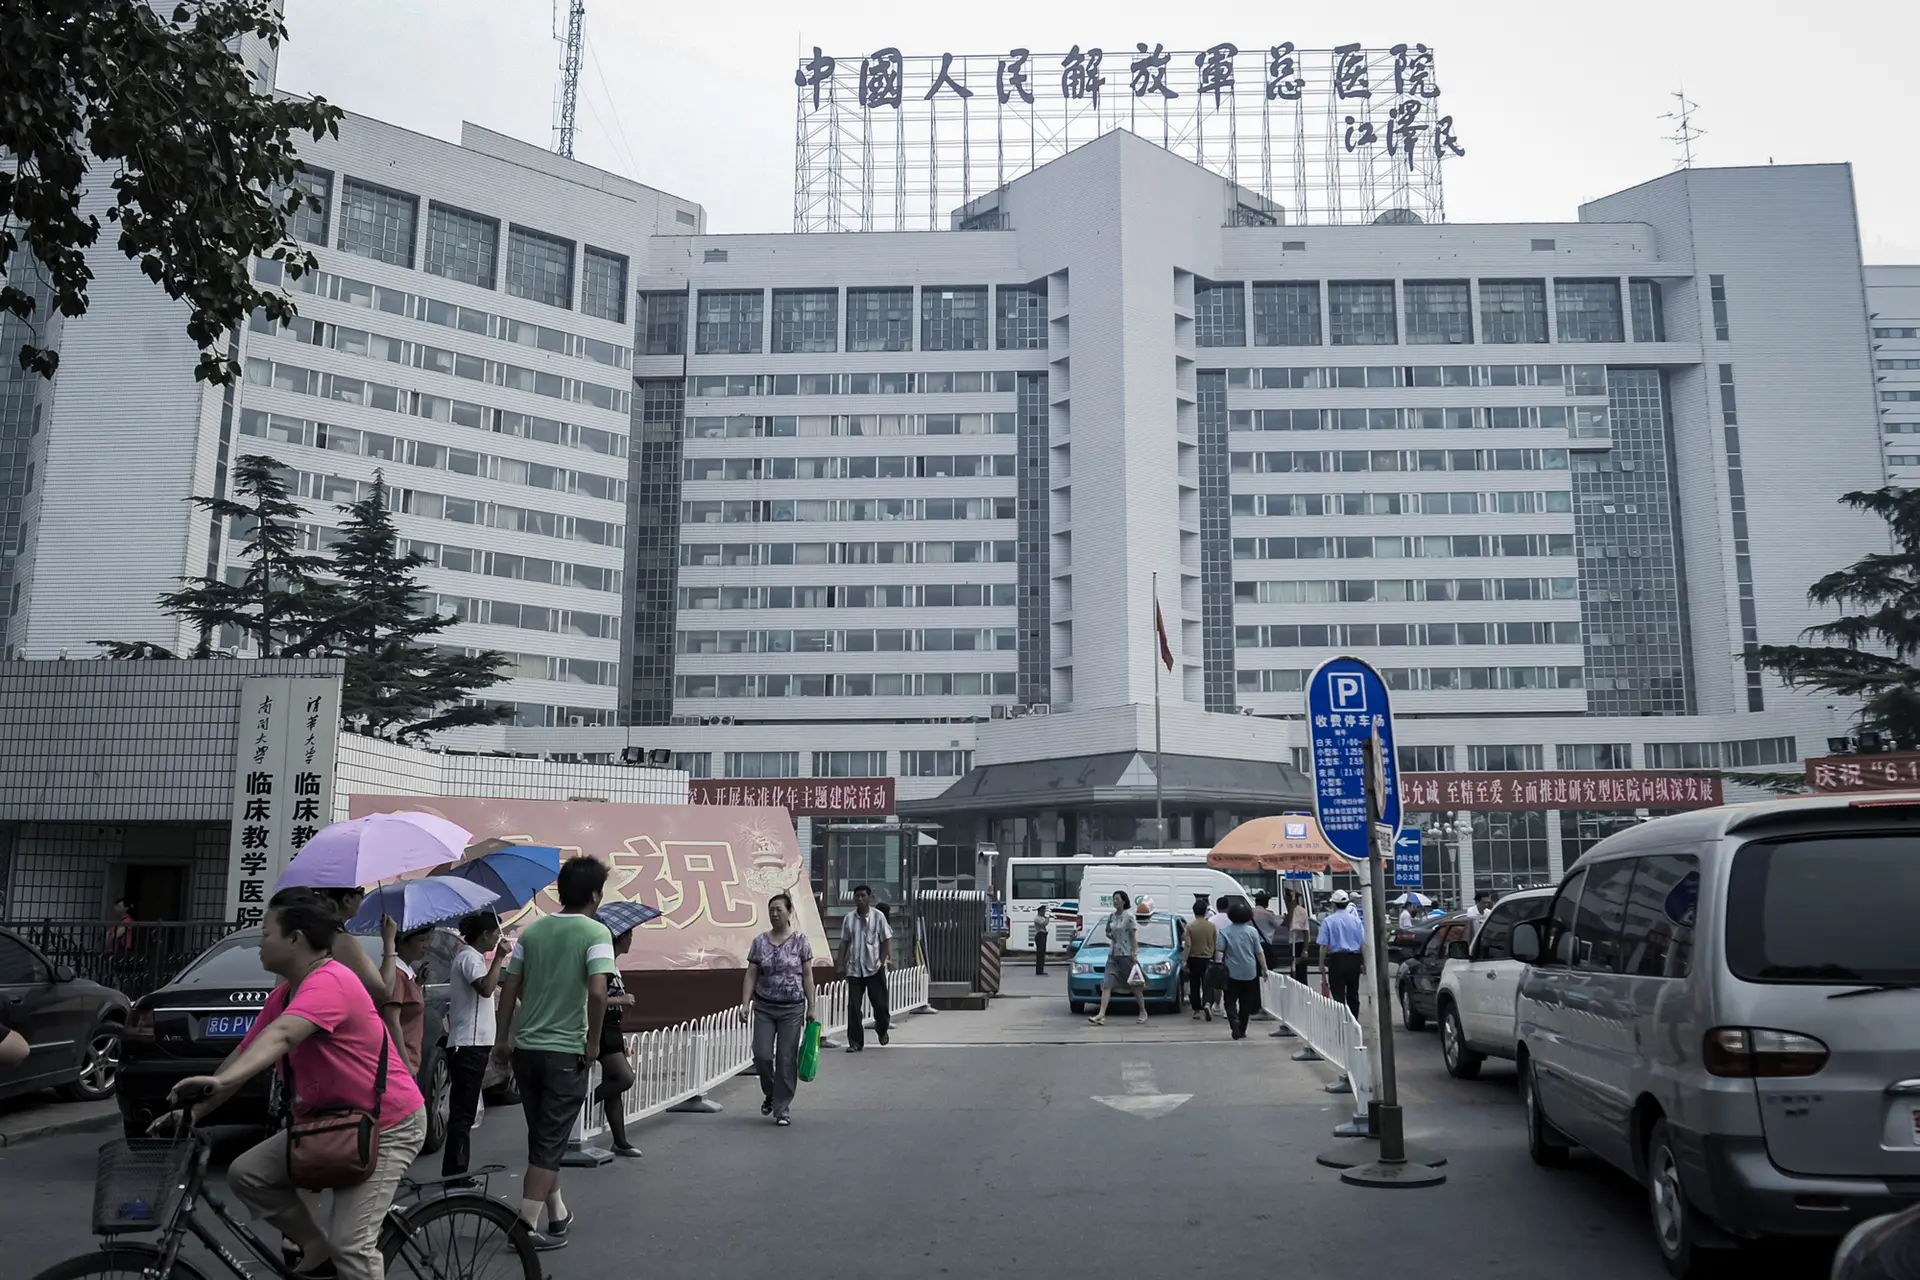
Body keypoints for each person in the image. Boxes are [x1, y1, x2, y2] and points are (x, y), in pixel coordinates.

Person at [175, 889, 426, 1280]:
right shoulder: (284, 995)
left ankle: (334, 1251)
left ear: (295, 939)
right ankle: (313, 1244)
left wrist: (220, 1081)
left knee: (352, 1245)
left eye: (265, 933)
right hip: (332, 1121)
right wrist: (191, 1112)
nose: (260, 942)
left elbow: (284, 1037)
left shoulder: (331, 983)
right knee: (247, 1174)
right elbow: (247, 1054)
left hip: (387, 1123)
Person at [490, 855, 615, 1252]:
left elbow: (509, 986)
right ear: (595, 894)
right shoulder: (596, 933)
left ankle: (558, 1212)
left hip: (527, 1049)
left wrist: (502, 1039)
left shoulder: (534, 931)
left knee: (544, 1137)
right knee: (547, 1143)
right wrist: (594, 1042)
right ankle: (524, 1228)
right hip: (566, 1052)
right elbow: (598, 991)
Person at [442, 910, 510, 1183]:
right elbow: (485, 988)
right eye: (495, 933)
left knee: (466, 1111)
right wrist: (501, 959)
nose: (497, 938)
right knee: (463, 1113)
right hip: (467, 1045)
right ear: (484, 934)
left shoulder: (474, 957)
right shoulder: (470, 957)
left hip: (475, 1044)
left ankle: (457, 1169)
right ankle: (455, 1173)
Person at [741, 892, 817, 1126]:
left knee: (786, 1058)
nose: (774, 914)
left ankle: (782, 1108)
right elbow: (751, 973)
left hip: (792, 1008)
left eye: (779, 909)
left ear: (789, 912)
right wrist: (745, 1003)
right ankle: (771, 1092)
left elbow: (807, 975)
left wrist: (811, 1007)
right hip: (764, 1006)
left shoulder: (800, 941)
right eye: (771, 909)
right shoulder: (759, 942)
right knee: (762, 1054)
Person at [594, 920, 641, 1158]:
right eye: (630, 935)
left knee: (615, 1089)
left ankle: (619, 1141)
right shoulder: (602, 965)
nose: (632, 939)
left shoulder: (613, 965)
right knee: (625, 1078)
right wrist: (619, 1001)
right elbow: (590, 997)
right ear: (620, 938)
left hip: (612, 1028)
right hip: (601, 1028)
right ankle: (581, 1103)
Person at [838, 883, 892, 1052]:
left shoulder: (879, 917)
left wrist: (882, 960)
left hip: (874, 968)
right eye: (857, 896)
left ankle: (882, 1030)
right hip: (854, 969)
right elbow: (844, 942)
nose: (860, 899)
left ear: (870, 898)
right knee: (853, 1007)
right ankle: (855, 1042)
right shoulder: (849, 918)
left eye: (863, 896)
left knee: (881, 1005)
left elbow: (886, 940)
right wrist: (840, 964)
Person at [1088, 890, 1147, 1026]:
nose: (1115, 902)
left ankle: (1143, 1011)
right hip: (1113, 955)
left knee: (1134, 985)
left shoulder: (1129, 917)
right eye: (1113, 899)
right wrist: (1111, 936)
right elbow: (1108, 931)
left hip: (1126, 955)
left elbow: (1133, 937)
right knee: (1107, 984)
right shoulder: (1112, 916)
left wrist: (1135, 953)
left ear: (1124, 901)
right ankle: (1101, 1014)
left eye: (1117, 899)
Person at [381, 920, 430, 1077]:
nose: (426, 945)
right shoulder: (396, 974)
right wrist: (405, 1064)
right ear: (402, 942)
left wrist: (418, 985)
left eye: (428, 939)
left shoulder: (407, 973)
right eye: (421, 940)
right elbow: (391, 1021)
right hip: (398, 1065)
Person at [1217, 899, 1269, 1040]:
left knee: (1230, 1000)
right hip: (1249, 971)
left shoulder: (1225, 931)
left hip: (1231, 972)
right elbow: (1259, 952)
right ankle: (1242, 1029)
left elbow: (1219, 949)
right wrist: (1264, 969)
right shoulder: (1252, 932)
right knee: (1245, 1002)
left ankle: (1234, 1020)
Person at [1318, 889, 1367, 1017]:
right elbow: (1363, 944)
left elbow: (1323, 946)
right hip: (1354, 960)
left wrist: (1321, 964)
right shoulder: (1356, 921)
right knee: (1353, 993)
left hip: (1336, 960)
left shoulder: (1328, 921)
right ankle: (1354, 1021)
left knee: (1338, 995)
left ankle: (1341, 1022)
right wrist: (1364, 963)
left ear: (1333, 904)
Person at [1181, 899, 1217, 1021]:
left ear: (1194, 911)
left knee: (1194, 984)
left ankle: (1196, 1010)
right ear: (1205, 911)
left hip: (1194, 958)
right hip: (1208, 958)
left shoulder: (1190, 926)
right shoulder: (1211, 926)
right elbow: (1215, 943)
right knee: (1208, 984)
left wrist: (1184, 960)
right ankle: (1207, 1003)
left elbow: (1188, 945)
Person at [1251, 892, 1286, 972]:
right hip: (1265, 945)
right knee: (1266, 969)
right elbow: (1277, 923)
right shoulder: (1267, 914)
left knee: (1254, 969)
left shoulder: (1249, 913)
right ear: (1266, 903)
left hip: (1251, 944)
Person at [1286, 890, 1312, 985]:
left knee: (1300, 973)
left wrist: (1305, 950)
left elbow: (1305, 931)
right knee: (1294, 972)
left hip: (1298, 944)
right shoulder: (1290, 910)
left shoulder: (1300, 911)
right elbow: (1287, 923)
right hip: (1291, 944)